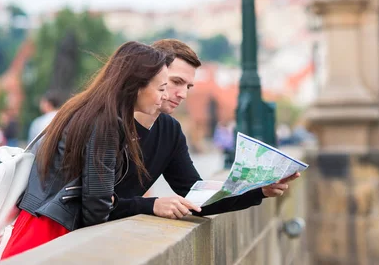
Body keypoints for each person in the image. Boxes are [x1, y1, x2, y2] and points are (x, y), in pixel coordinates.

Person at [0, 41, 171, 259]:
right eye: (161, 88)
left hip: (36, 223)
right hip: (54, 234)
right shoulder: (107, 122)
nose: (164, 96)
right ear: (137, 84)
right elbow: (97, 203)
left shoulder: (83, 107)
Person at [110, 39, 299, 221]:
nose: (183, 94)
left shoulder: (170, 130)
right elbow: (94, 201)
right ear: (152, 75)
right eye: (176, 82)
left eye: (188, 86)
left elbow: (197, 199)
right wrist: (151, 205)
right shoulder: (108, 123)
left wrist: (259, 190)